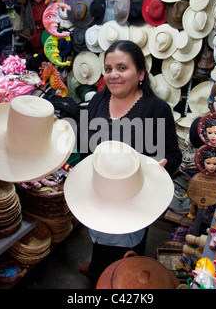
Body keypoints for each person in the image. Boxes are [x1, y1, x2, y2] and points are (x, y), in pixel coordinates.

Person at [77, 40, 182, 281]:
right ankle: (97, 270)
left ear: (141, 74)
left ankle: (118, 279)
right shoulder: (96, 102)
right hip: (101, 196)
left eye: (122, 68)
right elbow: (85, 150)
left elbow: (173, 155)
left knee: (126, 264)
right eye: (108, 68)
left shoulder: (157, 109)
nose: (113, 75)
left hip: (134, 200)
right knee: (100, 241)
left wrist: (156, 171)